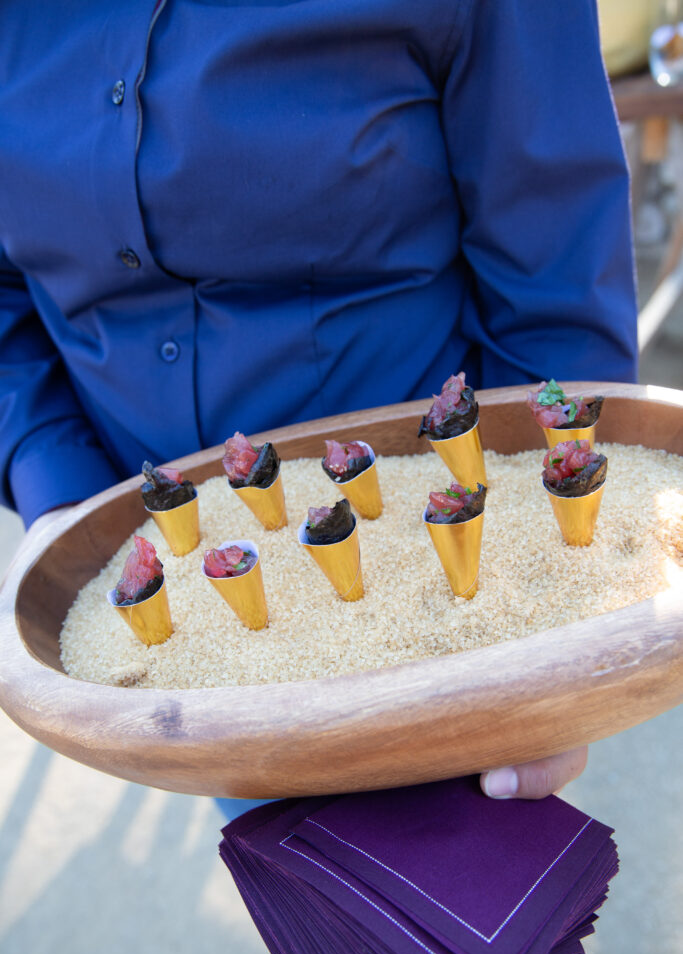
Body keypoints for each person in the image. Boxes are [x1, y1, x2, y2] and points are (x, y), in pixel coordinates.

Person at [0, 0, 637, 806]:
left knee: (458, 919)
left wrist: (551, 608)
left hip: (427, 604)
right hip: (166, 618)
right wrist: (58, 495)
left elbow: (554, 279)